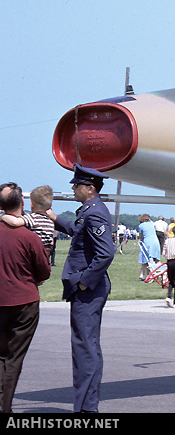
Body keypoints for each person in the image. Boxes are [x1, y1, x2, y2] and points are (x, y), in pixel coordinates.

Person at [48, 164, 115, 413]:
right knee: (88, 345)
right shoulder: (89, 210)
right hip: (89, 288)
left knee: (84, 346)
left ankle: (86, 409)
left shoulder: (95, 212)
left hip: (88, 289)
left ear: (89, 188)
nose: (73, 188)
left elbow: (106, 252)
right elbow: (78, 232)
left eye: (76, 185)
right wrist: (54, 218)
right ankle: (87, 405)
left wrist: (85, 280)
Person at [0, 183, 50, 413]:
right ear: (22, 204)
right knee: (14, 357)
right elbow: (44, 272)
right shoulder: (30, 237)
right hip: (24, 301)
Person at [136, 214, 161, 280]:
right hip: (156, 242)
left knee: (146, 260)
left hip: (147, 242)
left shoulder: (141, 226)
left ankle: (147, 274)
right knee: (157, 259)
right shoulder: (152, 224)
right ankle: (161, 272)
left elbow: (141, 236)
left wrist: (140, 241)